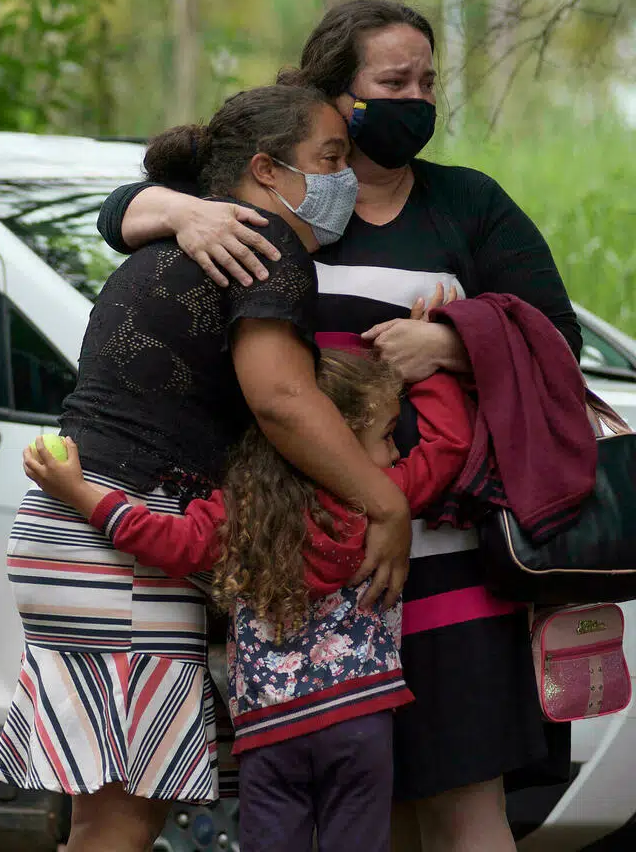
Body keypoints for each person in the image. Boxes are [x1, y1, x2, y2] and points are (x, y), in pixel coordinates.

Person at [95, 0, 578, 852]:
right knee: (360, 818)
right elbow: (124, 213)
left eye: (429, 80)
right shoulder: (291, 202)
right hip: (310, 572)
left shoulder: (468, 205)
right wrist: (179, 211)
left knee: (467, 807)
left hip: (446, 563)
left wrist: (455, 341)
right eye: (393, 81)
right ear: (335, 95)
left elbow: (556, 346)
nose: (417, 97)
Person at [0, 84, 414, 852]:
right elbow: (282, 400)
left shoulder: (188, 238)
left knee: (107, 814)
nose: (345, 177)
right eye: (329, 159)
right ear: (266, 171)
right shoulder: (267, 249)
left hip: (75, 530)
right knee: (122, 819)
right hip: (118, 541)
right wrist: (386, 504)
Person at [24, 346, 474, 852]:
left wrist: (80, 492)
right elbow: (449, 445)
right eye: (387, 436)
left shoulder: (240, 512)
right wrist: (430, 364)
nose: (395, 453)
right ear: (337, 439)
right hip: (360, 720)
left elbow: (162, 540)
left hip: (268, 731)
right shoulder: (383, 499)